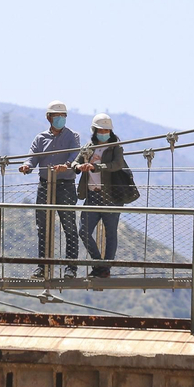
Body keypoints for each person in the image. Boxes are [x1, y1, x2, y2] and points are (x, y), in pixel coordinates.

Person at [19, 100, 80, 278]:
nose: (61, 119)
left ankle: (71, 268)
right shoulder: (40, 138)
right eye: (57, 116)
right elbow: (33, 156)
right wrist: (26, 166)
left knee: (69, 227)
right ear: (49, 118)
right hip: (45, 186)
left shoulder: (72, 136)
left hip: (65, 186)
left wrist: (67, 165)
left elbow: (75, 154)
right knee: (43, 227)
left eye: (63, 116)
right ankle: (43, 266)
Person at [73, 113, 127, 278]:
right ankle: (99, 263)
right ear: (94, 130)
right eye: (100, 130)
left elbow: (117, 164)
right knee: (83, 231)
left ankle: (105, 268)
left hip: (111, 196)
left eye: (106, 130)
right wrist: (79, 167)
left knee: (111, 233)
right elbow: (75, 162)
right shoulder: (88, 147)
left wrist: (97, 167)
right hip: (92, 195)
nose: (103, 133)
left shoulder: (116, 147)